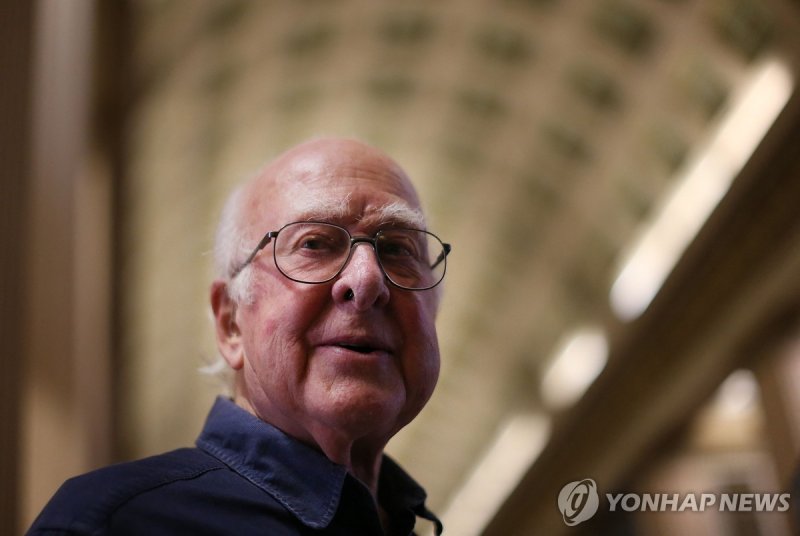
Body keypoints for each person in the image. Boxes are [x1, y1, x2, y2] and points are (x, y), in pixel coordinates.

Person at [28, 138, 450, 535]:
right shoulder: (111, 524)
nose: (368, 280)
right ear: (230, 322)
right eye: (314, 244)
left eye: (397, 249)